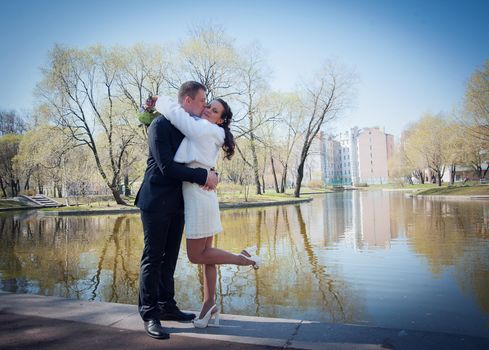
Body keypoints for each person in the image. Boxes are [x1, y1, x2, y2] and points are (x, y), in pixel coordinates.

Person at [154, 93, 261, 328]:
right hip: (202, 191)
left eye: (214, 111)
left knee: (195, 255)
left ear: (220, 120)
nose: (207, 110)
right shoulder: (207, 129)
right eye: (208, 106)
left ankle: (243, 259)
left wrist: (160, 100)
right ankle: (209, 304)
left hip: (198, 195)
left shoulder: (206, 129)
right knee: (207, 256)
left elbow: (176, 114)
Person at [134, 81, 219, 340]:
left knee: (170, 258)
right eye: (202, 101)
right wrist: (203, 175)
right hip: (155, 201)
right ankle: (149, 314)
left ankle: (167, 306)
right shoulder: (159, 125)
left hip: (179, 203)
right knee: (153, 258)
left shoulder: (189, 129)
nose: (205, 105)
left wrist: (210, 171)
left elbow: (198, 156)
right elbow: (167, 167)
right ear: (187, 101)